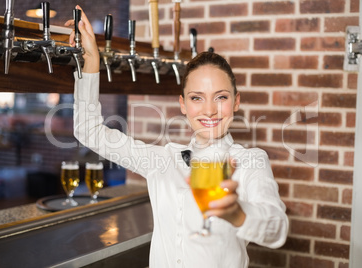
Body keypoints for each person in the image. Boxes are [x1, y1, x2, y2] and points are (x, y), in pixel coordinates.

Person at [67, 6, 288, 268]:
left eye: (221, 97)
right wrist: (92, 61)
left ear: (236, 102)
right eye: (197, 98)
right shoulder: (162, 160)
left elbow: (277, 229)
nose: (208, 110)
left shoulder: (251, 161)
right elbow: (88, 131)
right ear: (183, 105)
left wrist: (238, 214)